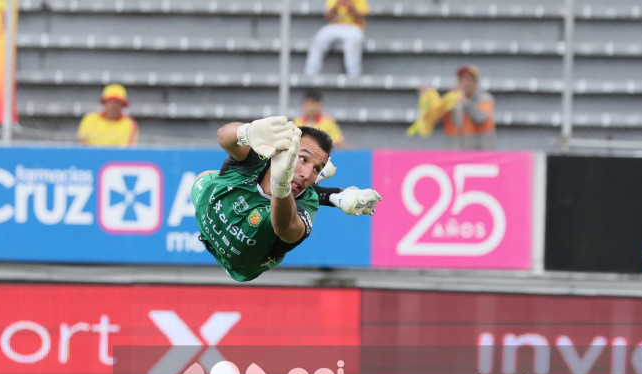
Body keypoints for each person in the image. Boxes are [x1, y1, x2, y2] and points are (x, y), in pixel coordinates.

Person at [192, 116, 381, 282]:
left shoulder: (307, 206)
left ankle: (330, 192)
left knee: (295, 188)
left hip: (242, 266)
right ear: (286, 150)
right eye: (304, 159)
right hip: (207, 208)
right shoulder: (257, 158)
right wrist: (248, 131)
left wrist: (281, 185)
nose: (307, 174)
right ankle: (332, 195)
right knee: (204, 177)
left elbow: (285, 228)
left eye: (317, 169)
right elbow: (224, 137)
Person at [407, 65, 496, 150]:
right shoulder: (451, 100)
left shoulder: (485, 99)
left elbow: (481, 118)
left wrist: (465, 102)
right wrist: (429, 100)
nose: (467, 83)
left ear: (475, 82)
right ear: (459, 82)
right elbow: (437, 119)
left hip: (480, 152)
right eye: (463, 79)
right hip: (455, 151)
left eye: (470, 80)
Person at [304, 0, 370, 78]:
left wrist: (351, 7)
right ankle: (310, 73)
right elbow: (328, 16)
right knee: (319, 39)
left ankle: (354, 74)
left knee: (354, 41)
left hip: (354, 27)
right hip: (335, 25)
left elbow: (362, 16)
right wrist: (336, 6)